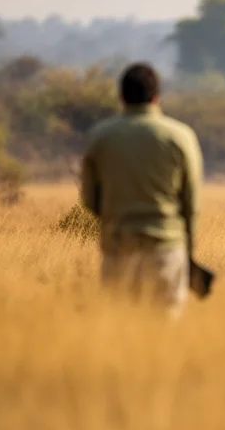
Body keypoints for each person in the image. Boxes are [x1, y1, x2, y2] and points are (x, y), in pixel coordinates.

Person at [80, 62, 204, 319]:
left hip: (117, 249)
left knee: (120, 329)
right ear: (157, 97)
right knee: (165, 331)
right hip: (166, 251)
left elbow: (90, 201)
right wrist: (189, 252)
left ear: (121, 96)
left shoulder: (101, 137)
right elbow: (191, 205)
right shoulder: (180, 137)